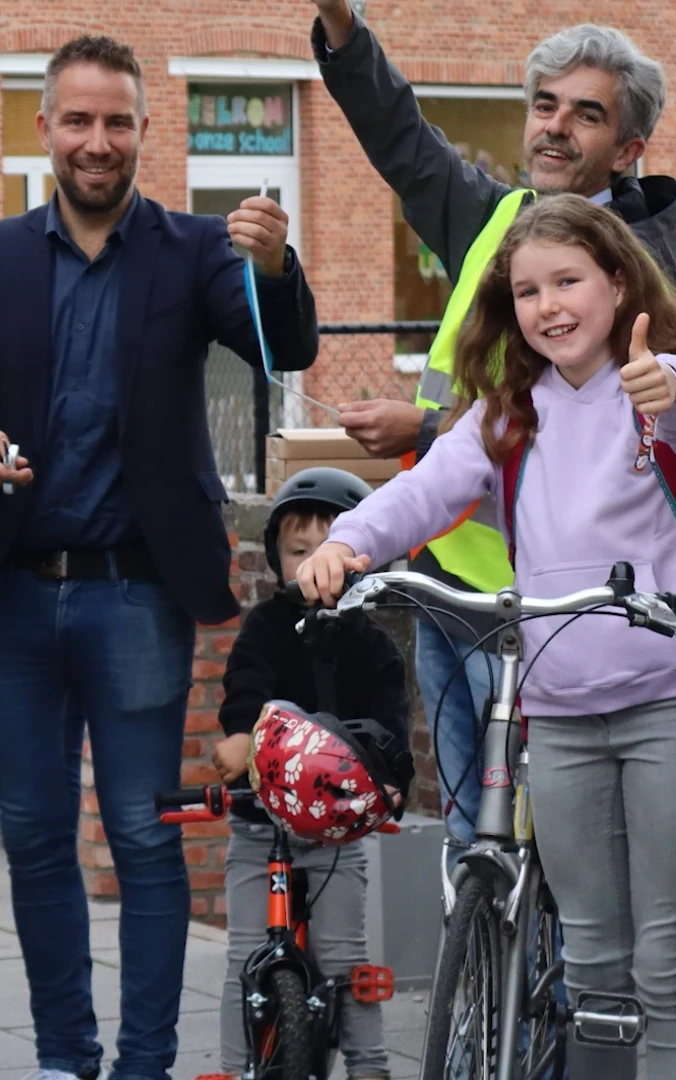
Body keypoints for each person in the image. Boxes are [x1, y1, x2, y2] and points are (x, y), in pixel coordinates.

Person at [0, 35, 318, 1080]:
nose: (98, 142)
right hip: (14, 600)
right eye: (78, 121)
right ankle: (65, 1059)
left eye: (118, 122)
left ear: (145, 131)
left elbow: (284, 351)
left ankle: (143, 1064)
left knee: (147, 842)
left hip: (136, 595)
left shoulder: (192, 252)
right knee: (38, 842)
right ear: (44, 129)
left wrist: (274, 269)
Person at [296, 194, 676, 1077]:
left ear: (618, 284)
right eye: (527, 291)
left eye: (569, 281)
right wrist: (349, 542)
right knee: (591, 957)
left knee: (665, 953)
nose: (549, 306)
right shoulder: (512, 412)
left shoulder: (654, 385)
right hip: (561, 712)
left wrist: (667, 391)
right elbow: (426, 491)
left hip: (662, 701)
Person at [308, 0, 675, 848]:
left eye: (587, 114)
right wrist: (341, 27)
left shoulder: (653, 254)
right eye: (544, 105)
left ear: (628, 150)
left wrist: (423, 420)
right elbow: (403, 139)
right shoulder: (493, 219)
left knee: (571, 851)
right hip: (458, 585)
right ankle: (483, 973)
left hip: (590, 622)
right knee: (479, 844)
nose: (555, 127)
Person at [200, 467, 411, 1080]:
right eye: (298, 553)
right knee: (245, 956)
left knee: (348, 963)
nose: (313, 567)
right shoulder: (267, 625)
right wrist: (241, 737)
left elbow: (389, 719)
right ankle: (234, 1068)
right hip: (260, 825)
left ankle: (369, 1067)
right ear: (276, 558)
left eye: (327, 553)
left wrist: (392, 778)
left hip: (339, 834)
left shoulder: (372, 643)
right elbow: (247, 683)